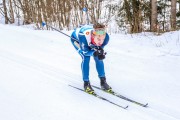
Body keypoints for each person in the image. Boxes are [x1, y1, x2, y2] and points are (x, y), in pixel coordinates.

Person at [70, 23, 112, 94]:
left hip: (90, 42)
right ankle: (86, 83)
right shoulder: (83, 36)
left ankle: (103, 81)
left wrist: (100, 52)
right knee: (86, 58)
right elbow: (86, 52)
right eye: (98, 39)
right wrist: (93, 52)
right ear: (92, 36)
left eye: (102, 39)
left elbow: (99, 47)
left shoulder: (106, 38)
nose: (101, 42)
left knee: (98, 58)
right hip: (78, 40)